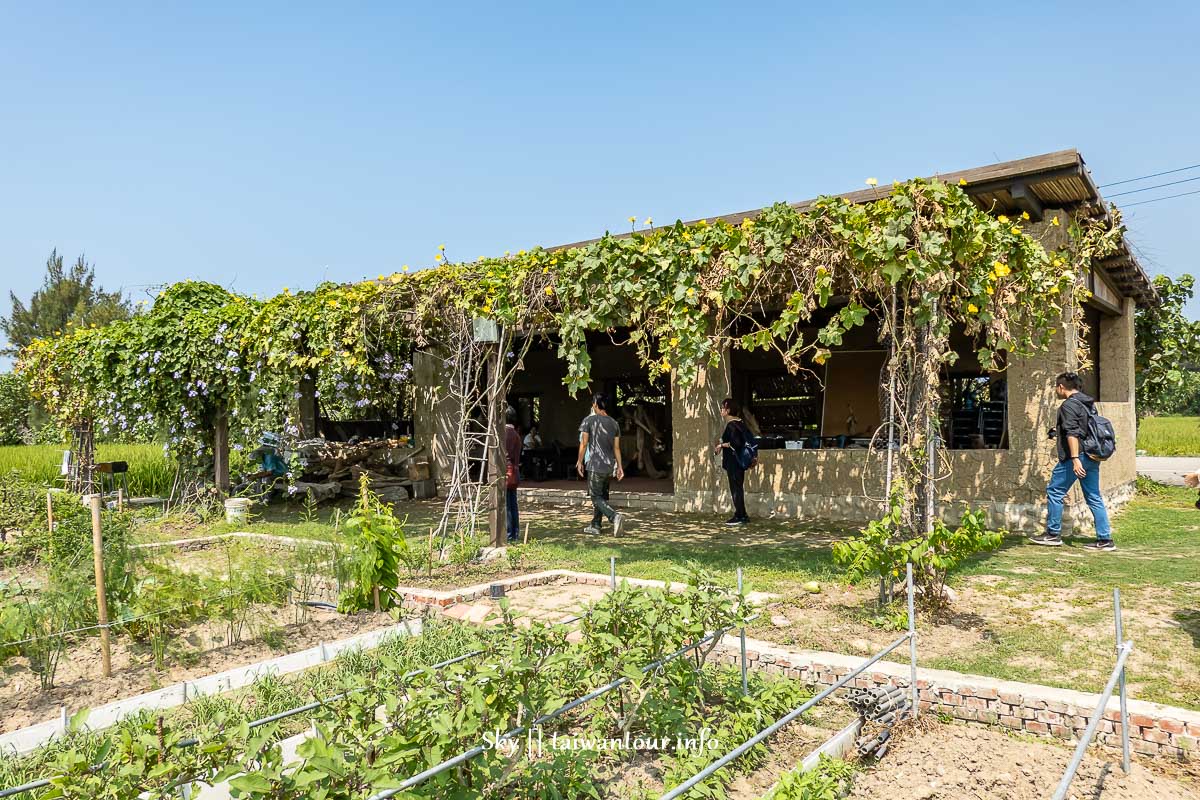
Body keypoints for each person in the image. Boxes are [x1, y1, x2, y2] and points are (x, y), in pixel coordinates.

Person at [1031, 372, 1114, 550]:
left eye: (1056, 387)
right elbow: (1082, 429)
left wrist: (1075, 459)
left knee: (1055, 490)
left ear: (1061, 387)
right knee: (1093, 496)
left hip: (1076, 457)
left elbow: (1073, 433)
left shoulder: (1068, 405)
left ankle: (1053, 534)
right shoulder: (1088, 404)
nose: (1056, 390)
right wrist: (1058, 432)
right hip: (1092, 455)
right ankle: (1105, 539)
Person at [577, 393, 625, 536]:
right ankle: (595, 525)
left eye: (593, 403)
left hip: (595, 465)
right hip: (608, 466)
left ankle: (614, 516)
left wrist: (579, 461)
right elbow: (617, 448)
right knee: (601, 497)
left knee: (595, 496)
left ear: (595, 405)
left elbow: (584, 443)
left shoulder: (588, 421)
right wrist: (620, 467)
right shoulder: (614, 423)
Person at [714, 398, 751, 526]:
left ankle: (740, 516)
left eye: (723, 408)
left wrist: (721, 445)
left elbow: (737, 443)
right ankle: (742, 514)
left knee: (736, 489)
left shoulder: (732, 425)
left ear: (728, 410)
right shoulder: (740, 423)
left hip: (734, 462)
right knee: (738, 488)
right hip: (738, 462)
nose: (721, 410)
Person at [504, 406, 522, 543]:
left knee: (506, 504)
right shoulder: (516, 434)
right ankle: (515, 532)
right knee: (513, 503)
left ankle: (510, 534)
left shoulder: (503, 433)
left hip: (506, 471)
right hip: (515, 472)